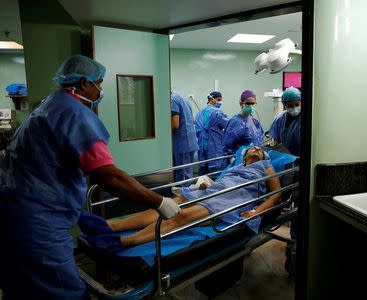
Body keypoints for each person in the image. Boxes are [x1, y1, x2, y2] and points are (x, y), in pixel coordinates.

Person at [0, 55, 180, 299]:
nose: (101, 90)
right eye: (99, 83)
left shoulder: (48, 107)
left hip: (14, 212)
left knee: (22, 288)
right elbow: (108, 176)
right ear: (85, 83)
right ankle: (122, 239)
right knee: (61, 292)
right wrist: (158, 201)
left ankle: (115, 232)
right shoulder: (76, 115)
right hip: (37, 226)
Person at [81, 146, 282, 252]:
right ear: (244, 155)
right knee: (165, 206)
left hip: (232, 197)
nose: (256, 149)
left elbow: (276, 194)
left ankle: (126, 241)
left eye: (260, 150)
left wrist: (257, 211)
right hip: (215, 189)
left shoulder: (265, 167)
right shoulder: (234, 167)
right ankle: (111, 226)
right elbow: (220, 180)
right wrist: (208, 185)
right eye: (252, 148)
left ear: (265, 157)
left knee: (181, 215)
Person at [268, 86, 301, 275]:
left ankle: (296, 239)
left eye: (297, 104)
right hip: (285, 165)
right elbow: (274, 139)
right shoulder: (281, 119)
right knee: (282, 198)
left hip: (299, 165)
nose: (294, 108)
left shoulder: (305, 119)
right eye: (290, 105)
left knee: (298, 206)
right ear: (285, 105)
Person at [222, 90, 264, 157]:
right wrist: (232, 160)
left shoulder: (255, 122)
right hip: (241, 161)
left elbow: (259, 141)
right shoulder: (235, 122)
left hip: (255, 159)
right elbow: (227, 146)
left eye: (253, 104)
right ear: (241, 103)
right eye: (248, 103)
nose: (250, 106)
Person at [195, 91, 229, 174]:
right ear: (211, 99)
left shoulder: (199, 113)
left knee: (203, 174)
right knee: (215, 175)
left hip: (202, 147)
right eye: (218, 99)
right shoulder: (218, 113)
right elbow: (230, 126)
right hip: (214, 147)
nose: (220, 102)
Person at [171, 92, 199, 182]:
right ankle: (187, 193)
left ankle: (185, 195)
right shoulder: (183, 99)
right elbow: (193, 120)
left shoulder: (172, 100)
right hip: (189, 142)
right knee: (186, 173)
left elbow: (175, 124)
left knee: (183, 177)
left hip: (181, 143)